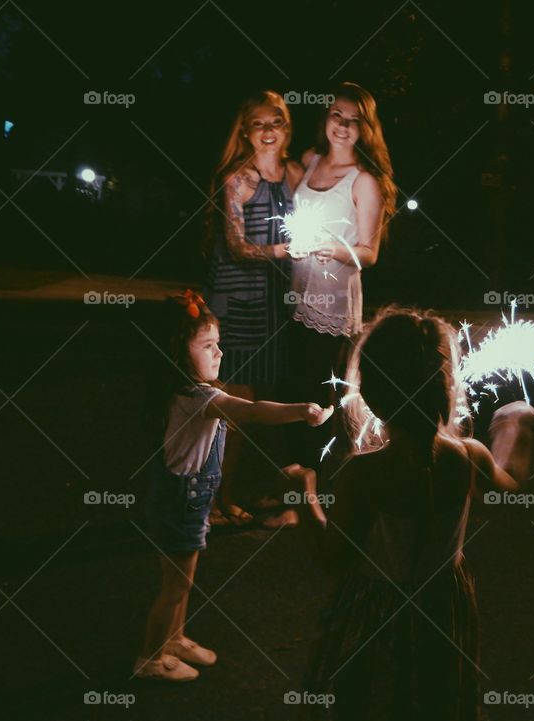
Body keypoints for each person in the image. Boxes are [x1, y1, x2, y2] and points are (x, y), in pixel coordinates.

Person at [288, 306, 534, 719]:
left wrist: (302, 495)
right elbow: (511, 482)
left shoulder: (365, 473)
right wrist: (516, 428)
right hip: (443, 603)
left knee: (373, 702)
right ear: (445, 385)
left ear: (368, 391)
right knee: (435, 698)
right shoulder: (468, 456)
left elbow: (334, 558)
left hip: (374, 613)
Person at [135, 292, 332, 682]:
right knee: (176, 585)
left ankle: (174, 638)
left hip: (184, 501)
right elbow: (253, 411)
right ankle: (150, 659)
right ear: (177, 351)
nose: (219, 353)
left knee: (182, 580)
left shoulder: (182, 390)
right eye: (208, 346)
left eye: (219, 344)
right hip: (181, 504)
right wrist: (302, 412)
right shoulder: (198, 398)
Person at [204, 90, 305, 526]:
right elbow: (237, 246)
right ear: (245, 131)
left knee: (256, 405)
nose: (269, 131)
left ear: (287, 128)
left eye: (277, 122)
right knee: (233, 405)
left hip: (274, 305)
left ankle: (230, 493)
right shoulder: (239, 178)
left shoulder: (295, 174)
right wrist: (288, 251)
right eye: (260, 123)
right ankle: (211, 499)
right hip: (237, 299)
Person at [288, 82, 397, 464]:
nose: (344, 126)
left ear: (366, 128)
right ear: (326, 118)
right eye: (337, 115)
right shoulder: (311, 160)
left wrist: (330, 247)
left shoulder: (364, 180)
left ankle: (315, 491)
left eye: (355, 120)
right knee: (294, 392)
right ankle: (295, 487)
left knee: (318, 398)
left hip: (332, 307)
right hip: (297, 294)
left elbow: (369, 253)